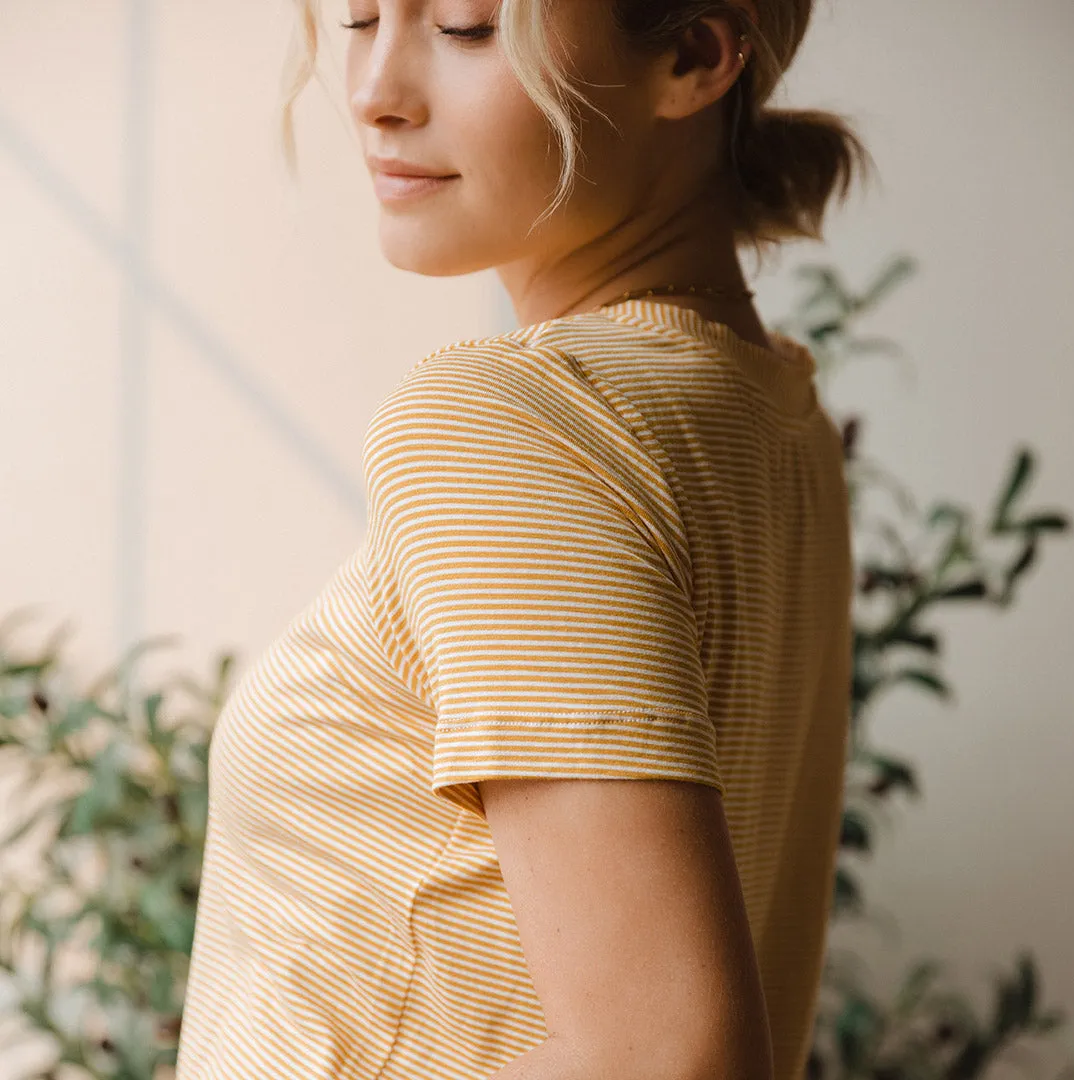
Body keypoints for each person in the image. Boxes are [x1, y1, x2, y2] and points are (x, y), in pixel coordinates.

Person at [175, 2, 873, 1079]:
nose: (373, 92)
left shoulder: (516, 421)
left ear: (691, 54)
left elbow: (657, 1056)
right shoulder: (778, 420)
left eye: (463, 27)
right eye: (361, 17)